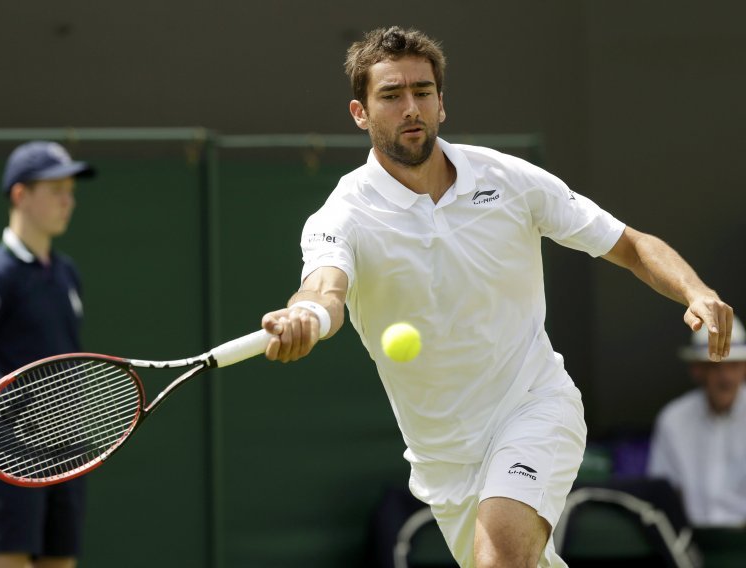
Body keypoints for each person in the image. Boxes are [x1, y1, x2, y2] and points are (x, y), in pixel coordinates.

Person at [258, 26, 734, 568]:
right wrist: (307, 316)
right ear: (360, 113)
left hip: (534, 405)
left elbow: (628, 245)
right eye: (391, 95)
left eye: (423, 92)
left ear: (442, 103)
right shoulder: (341, 215)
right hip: (445, 461)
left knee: (502, 558)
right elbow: (325, 288)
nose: (410, 107)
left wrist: (696, 291)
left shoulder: (509, 180)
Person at [0, 141, 95, 568]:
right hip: (10, 451)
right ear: (20, 195)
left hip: (67, 450)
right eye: (56, 190)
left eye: (70, 190)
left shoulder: (67, 272)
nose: (67, 200)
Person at [647, 316, 746, 528]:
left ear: (744, 368)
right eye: (716, 366)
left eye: (733, 365)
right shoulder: (673, 420)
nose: (725, 377)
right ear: (697, 370)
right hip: (692, 544)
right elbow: (662, 494)